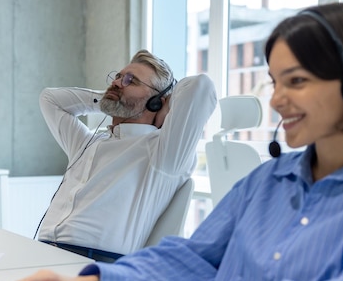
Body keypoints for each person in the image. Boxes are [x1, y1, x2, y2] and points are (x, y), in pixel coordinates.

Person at [2, 3, 343, 281]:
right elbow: (195, 259)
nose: (276, 100)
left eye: (296, 81)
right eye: (276, 83)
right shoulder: (267, 181)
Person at [36, 50, 217, 262]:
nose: (118, 82)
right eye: (118, 77)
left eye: (132, 80)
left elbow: (201, 87)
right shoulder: (87, 142)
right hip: (42, 252)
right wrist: (110, 99)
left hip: (93, 263)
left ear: (157, 102)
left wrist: (164, 105)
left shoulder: (163, 153)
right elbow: (49, 99)